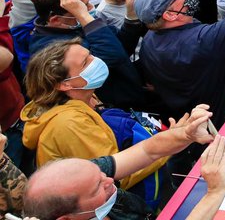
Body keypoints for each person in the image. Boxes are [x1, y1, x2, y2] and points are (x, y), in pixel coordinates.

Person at [21, 106, 216, 220]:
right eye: (97, 187)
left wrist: (186, 134)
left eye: (101, 175)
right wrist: (215, 192)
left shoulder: (88, 176)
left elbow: (147, 150)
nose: (109, 180)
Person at [20, 39, 164, 191]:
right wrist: (166, 146)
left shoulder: (85, 96)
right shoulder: (70, 124)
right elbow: (113, 176)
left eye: (90, 55)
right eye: (85, 63)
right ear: (64, 84)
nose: (96, 61)